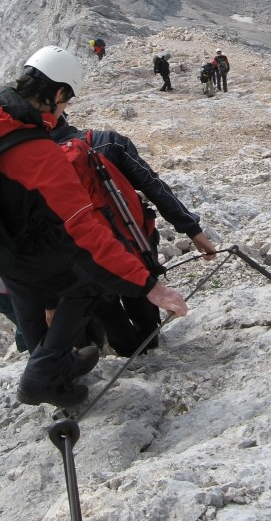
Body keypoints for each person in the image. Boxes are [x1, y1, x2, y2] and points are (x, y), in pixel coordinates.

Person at [0, 45, 201, 407]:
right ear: (55, 94)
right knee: (85, 284)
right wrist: (149, 286)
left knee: (27, 295)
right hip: (30, 245)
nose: (64, 110)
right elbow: (83, 228)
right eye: (65, 101)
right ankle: (40, 378)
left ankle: (56, 375)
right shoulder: (39, 153)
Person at [51, 115, 216, 356]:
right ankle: (149, 348)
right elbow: (153, 185)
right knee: (144, 306)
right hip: (136, 246)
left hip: (92, 258)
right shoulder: (108, 141)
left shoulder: (43, 165)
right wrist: (193, 230)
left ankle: (124, 351)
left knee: (108, 312)